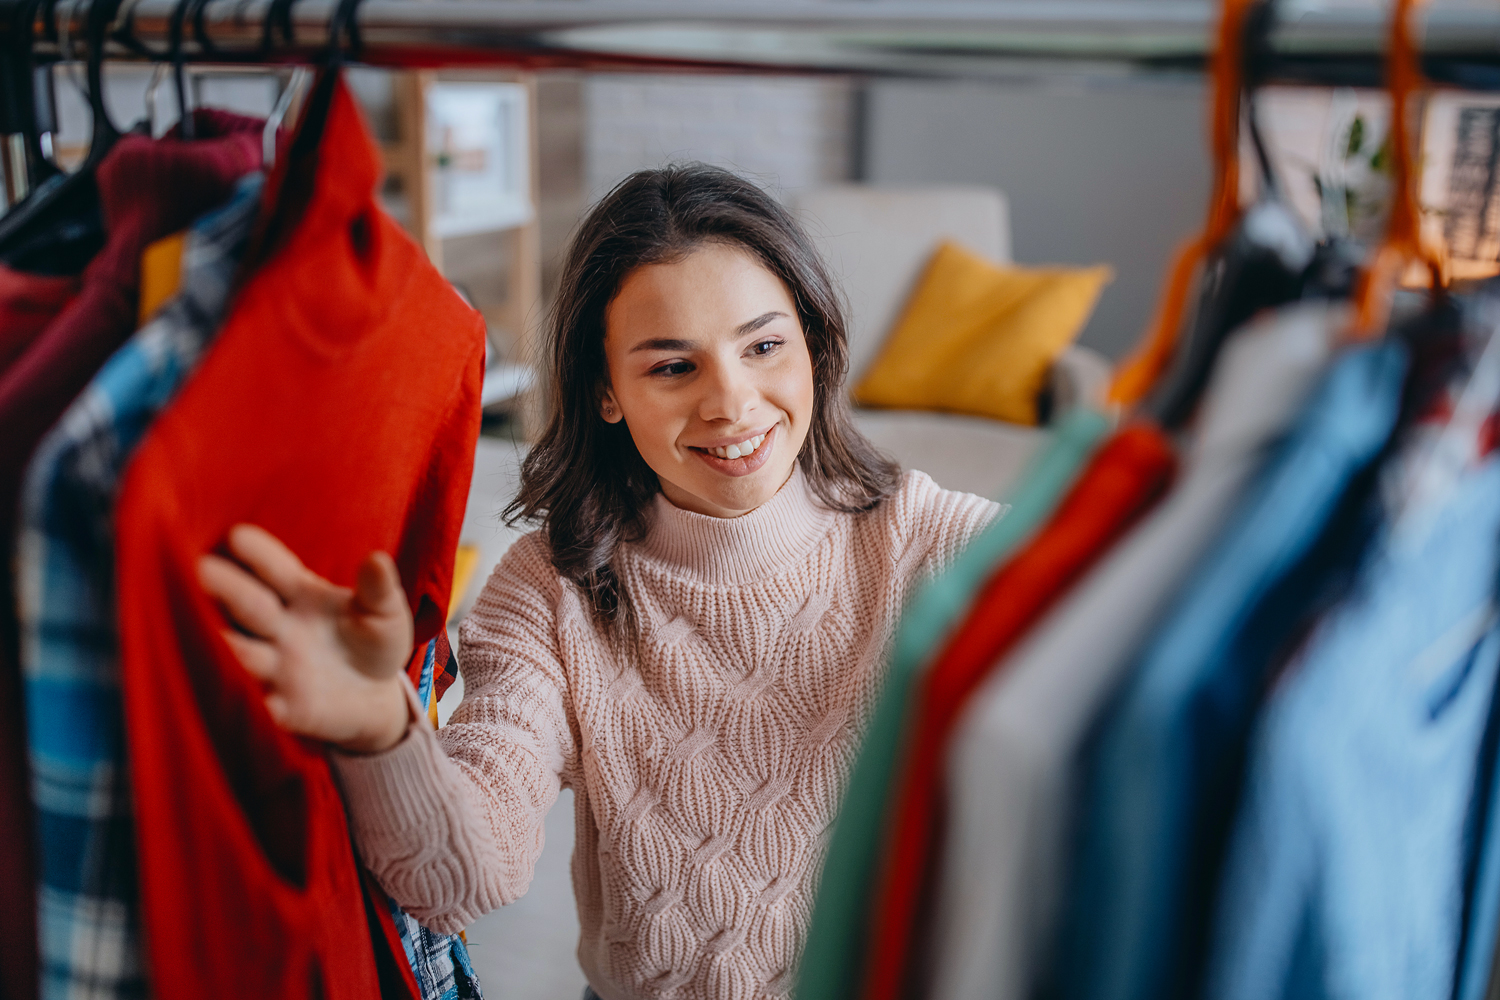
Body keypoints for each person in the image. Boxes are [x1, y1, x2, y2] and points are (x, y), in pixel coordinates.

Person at [198, 163, 1001, 1000]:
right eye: (671, 368)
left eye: (764, 346)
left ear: (813, 345)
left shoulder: (929, 540)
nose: (731, 402)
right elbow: (463, 881)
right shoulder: (550, 588)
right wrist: (379, 733)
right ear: (606, 393)